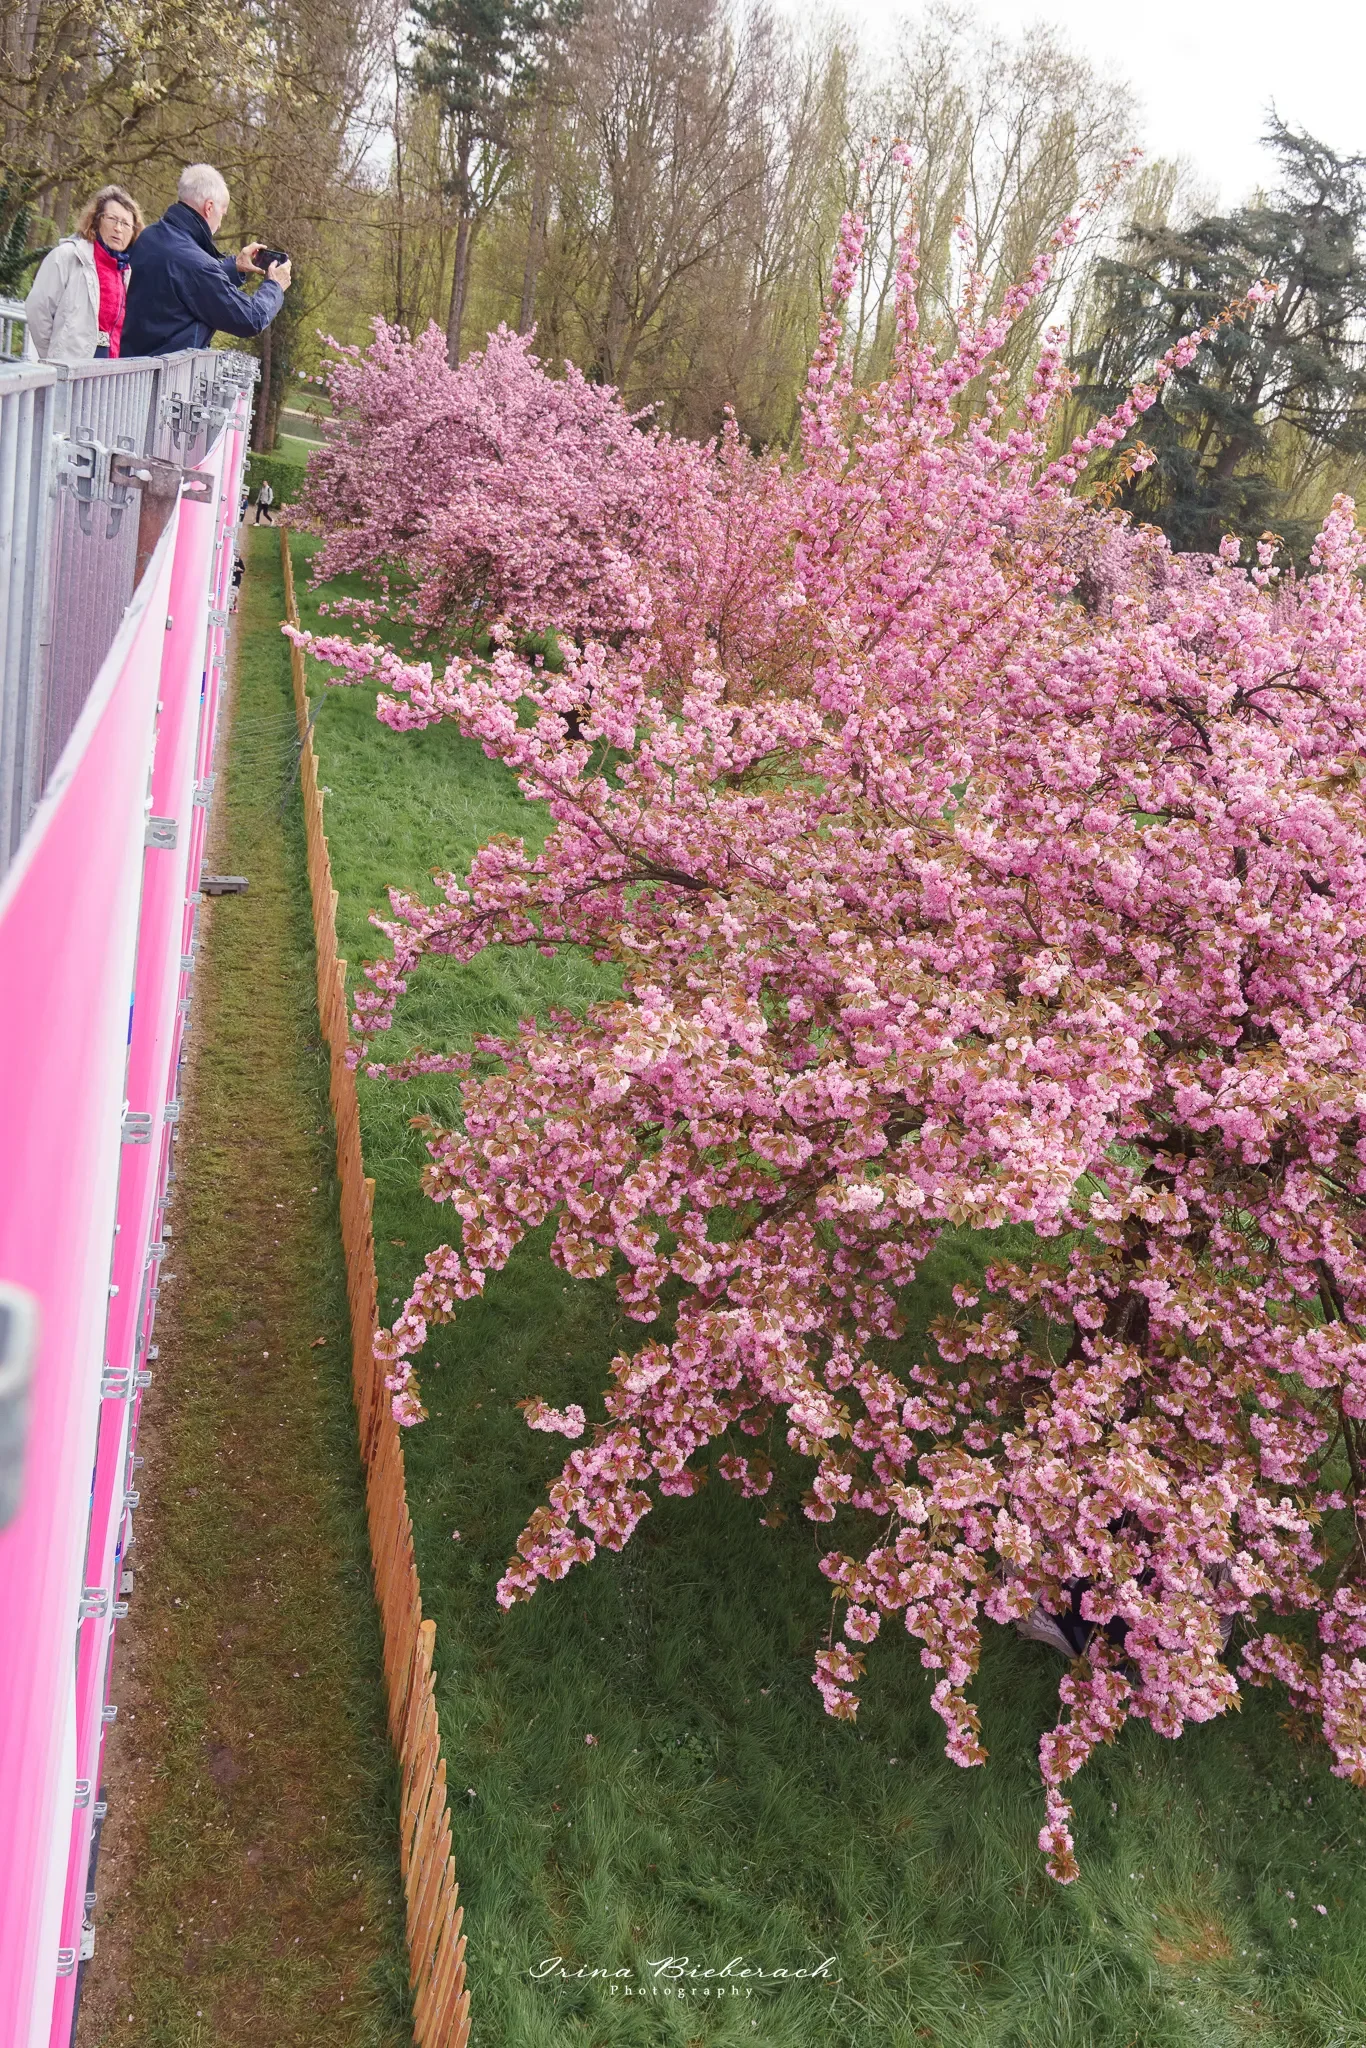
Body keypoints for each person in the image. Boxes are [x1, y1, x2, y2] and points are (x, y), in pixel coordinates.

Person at [121, 163, 290, 359]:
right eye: (222, 213)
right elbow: (250, 319)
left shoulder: (150, 236)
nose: (220, 222)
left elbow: (181, 283)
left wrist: (234, 267)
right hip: (160, 382)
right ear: (209, 207)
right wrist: (274, 287)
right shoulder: (195, 263)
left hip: (129, 365)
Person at [24, 186, 143, 365]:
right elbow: (38, 309)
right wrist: (55, 356)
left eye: (126, 224)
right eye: (112, 219)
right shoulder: (68, 256)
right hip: (69, 367)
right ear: (96, 221)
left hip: (109, 369)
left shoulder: (125, 271)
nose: (118, 229)